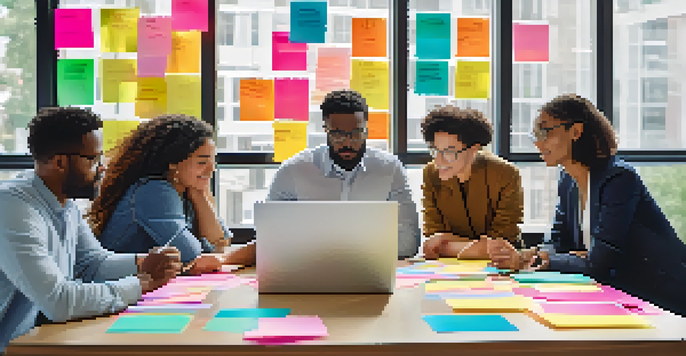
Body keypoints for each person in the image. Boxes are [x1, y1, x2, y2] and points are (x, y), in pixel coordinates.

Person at [0, 107, 181, 353]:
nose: (102, 168)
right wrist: (140, 284)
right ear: (61, 162)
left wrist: (144, 262)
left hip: (33, 341)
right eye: (94, 159)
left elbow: (92, 264)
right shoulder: (13, 208)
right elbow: (59, 302)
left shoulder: (64, 203)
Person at [488, 93, 686, 316]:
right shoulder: (568, 180)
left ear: (576, 132)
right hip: (615, 294)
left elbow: (600, 262)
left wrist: (549, 258)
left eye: (544, 132)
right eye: (535, 134)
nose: (537, 142)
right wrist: (527, 255)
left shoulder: (619, 179)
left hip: (659, 298)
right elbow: (557, 242)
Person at [225, 90, 420, 266]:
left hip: (371, 268)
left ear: (366, 129)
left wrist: (337, 252)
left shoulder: (389, 169)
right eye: (338, 134)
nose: (348, 142)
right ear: (325, 129)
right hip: (306, 269)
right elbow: (269, 239)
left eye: (356, 133)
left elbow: (409, 241)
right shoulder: (294, 171)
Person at [89, 115, 232, 276]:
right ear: (173, 163)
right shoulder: (154, 190)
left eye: (213, 161)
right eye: (202, 162)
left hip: (146, 284)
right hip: (118, 285)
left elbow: (220, 242)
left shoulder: (186, 190)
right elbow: (191, 254)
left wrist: (199, 194)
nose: (211, 169)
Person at [420, 105, 524, 260]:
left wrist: (447, 241)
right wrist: (475, 247)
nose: (438, 160)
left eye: (449, 152)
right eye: (435, 150)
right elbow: (432, 243)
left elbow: (501, 245)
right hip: (448, 266)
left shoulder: (505, 174)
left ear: (473, 149)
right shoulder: (431, 174)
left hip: (502, 265)